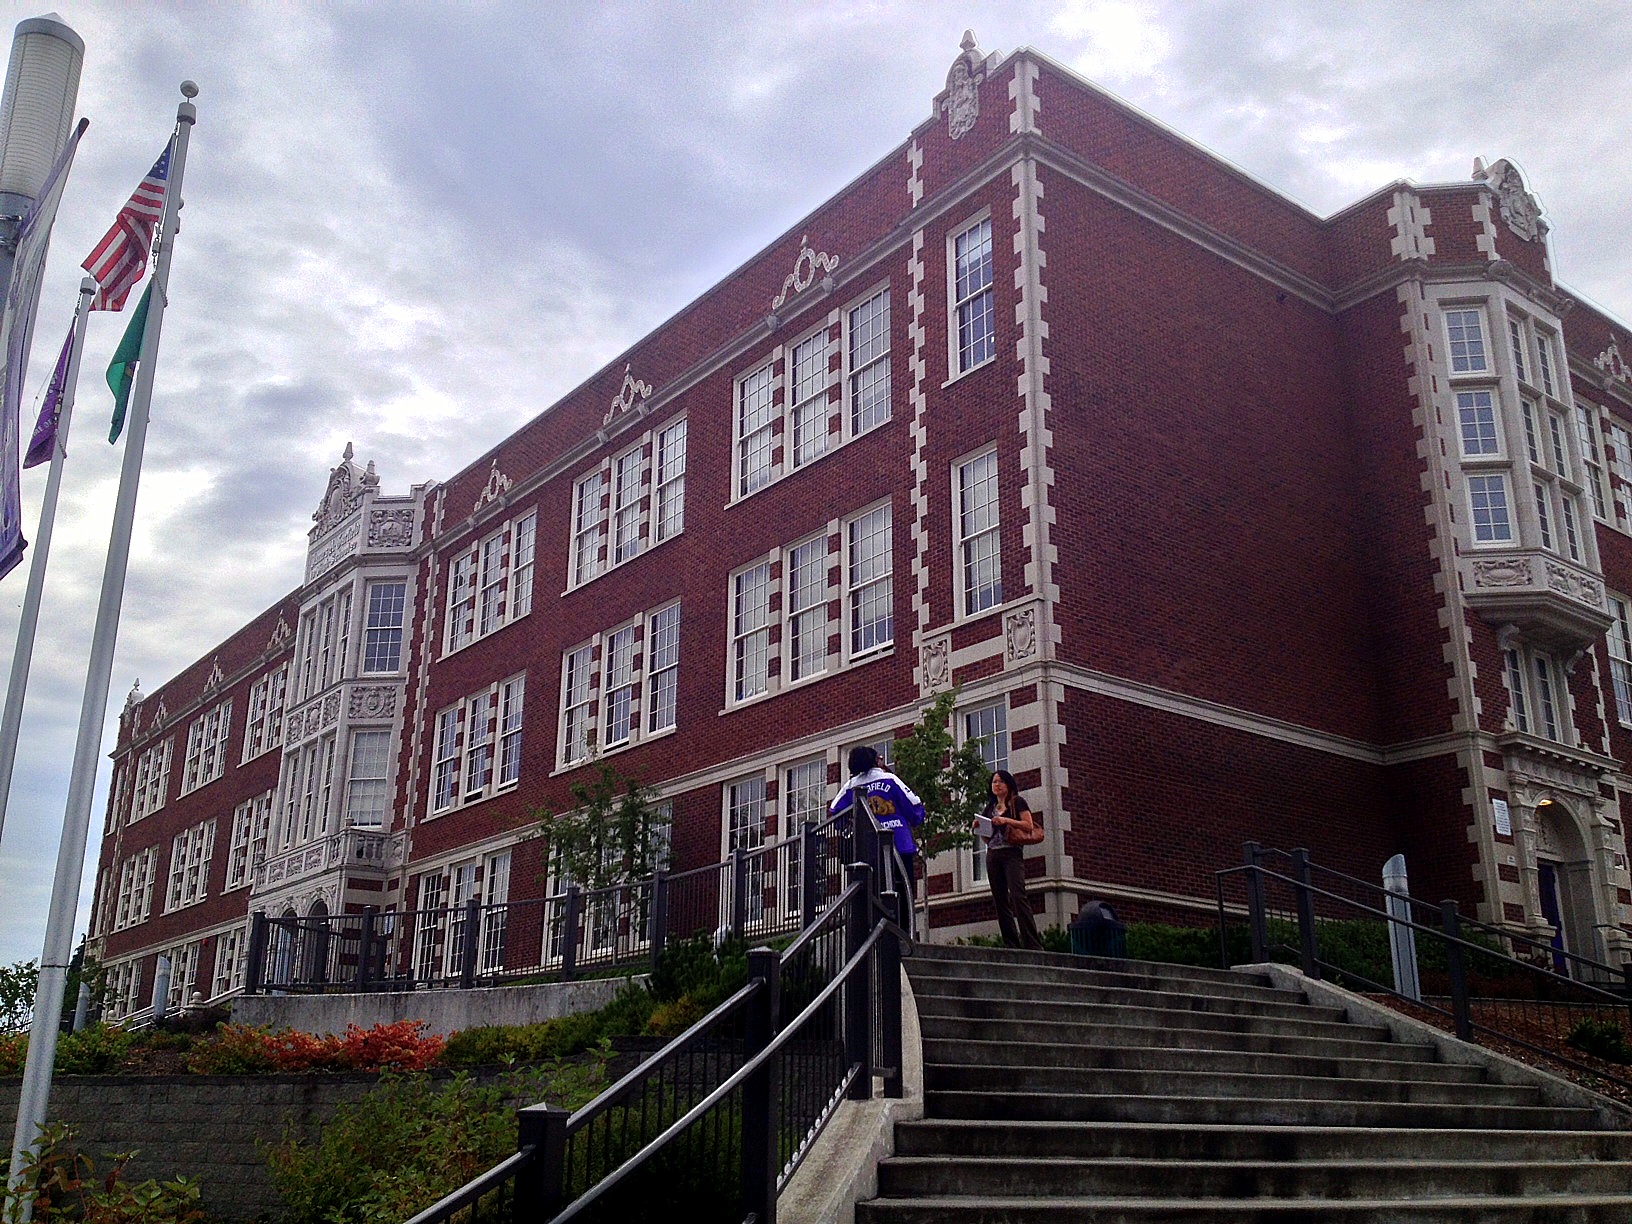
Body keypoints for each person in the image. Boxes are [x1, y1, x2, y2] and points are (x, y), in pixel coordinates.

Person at [829, 745, 925, 902]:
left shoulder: (851, 786)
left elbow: (835, 811)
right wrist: (916, 819)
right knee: (903, 895)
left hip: (867, 850)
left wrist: (850, 826)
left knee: (870, 895)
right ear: (876, 760)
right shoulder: (890, 779)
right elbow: (914, 806)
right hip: (899, 844)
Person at [975, 769, 1044, 950]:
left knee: (1018, 896)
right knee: (1000, 900)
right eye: (994, 782)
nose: (996, 785)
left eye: (1000, 781)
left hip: (1011, 853)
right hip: (993, 853)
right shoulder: (990, 808)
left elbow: (1028, 825)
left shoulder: (1017, 802)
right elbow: (987, 838)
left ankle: (1032, 944)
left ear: (1008, 784)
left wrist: (1006, 821)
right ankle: (1011, 943)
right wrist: (979, 828)